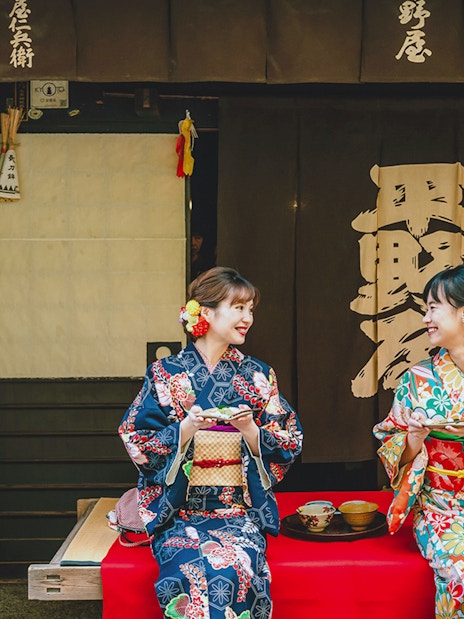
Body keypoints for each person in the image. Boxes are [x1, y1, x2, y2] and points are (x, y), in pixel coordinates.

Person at [119, 266, 303, 619]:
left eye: (250, 309)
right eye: (238, 308)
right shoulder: (165, 373)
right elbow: (135, 437)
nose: (248, 317)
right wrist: (185, 429)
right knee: (188, 568)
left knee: (234, 565)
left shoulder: (259, 374)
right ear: (205, 312)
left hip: (236, 510)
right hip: (178, 511)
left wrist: (251, 431)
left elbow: (289, 438)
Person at [374, 263, 464, 618]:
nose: (426, 317)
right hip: (442, 507)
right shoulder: (418, 379)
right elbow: (391, 445)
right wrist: (413, 437)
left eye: (433, 308)